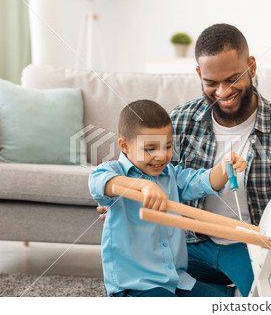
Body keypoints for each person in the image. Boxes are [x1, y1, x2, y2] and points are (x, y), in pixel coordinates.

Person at [168, 23, 271, 296]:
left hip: (251, 249)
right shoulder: (179, 121)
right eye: (211, 82)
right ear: (198, 74)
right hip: (192, 246)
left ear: (251, 66)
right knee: (143, 283)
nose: (223, 92)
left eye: (232, 79)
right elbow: (145, 176)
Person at [89, 99, 247, 297]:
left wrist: (223, 168)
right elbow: (97, 182)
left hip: (177, 280)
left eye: (167, 146)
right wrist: (142, 185)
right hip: (135, 287)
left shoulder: (170, 175)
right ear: (124, 146)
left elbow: (203, 181)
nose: (161, 156)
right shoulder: (114, 171)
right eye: (150, 148)